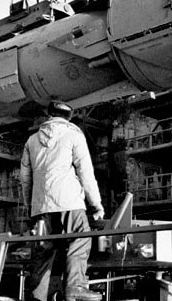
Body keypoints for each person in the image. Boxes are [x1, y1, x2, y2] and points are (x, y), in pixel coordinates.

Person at [20, 101, 105, 301]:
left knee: (44, 249)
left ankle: (36, 296)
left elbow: (25, 178)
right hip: (70, 202)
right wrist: (97, 205)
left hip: (41, 206)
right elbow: (86, 173)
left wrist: (31, 207)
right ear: (68, 117)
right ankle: (75, 286)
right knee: (80, 238)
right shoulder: (74, 136)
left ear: (49, 115)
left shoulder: (32, 141)